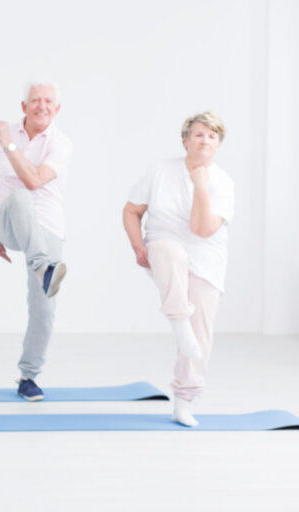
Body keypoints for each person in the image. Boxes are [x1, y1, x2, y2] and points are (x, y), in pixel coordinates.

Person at [123, 111, 233, 427]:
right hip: (162, 246)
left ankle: (183, 403)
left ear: (218, 145)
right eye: (198, 134)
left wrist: (200, 184)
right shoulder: (159, 170)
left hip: (206, 256)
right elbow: (131, 211)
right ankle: (180, 324)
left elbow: (201, 229)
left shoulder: (223, 182)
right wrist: (138, 247)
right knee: (170, 251)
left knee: (201, 338)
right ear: (185, 140)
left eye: (212, 136)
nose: (205, 140)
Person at [0, 80, 73, 401]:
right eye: (35, 100)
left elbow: (34, 179)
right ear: (24, 106)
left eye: (48, 101)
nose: (41, 106)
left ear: (57, 109)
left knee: (43, 307)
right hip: (7, 218)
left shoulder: (61, 144)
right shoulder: (3, 136)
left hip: (47, 226)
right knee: (21, 198)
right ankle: (42, 266)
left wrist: (8, 143)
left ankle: (28, 376)